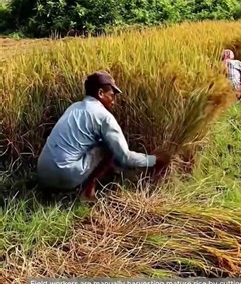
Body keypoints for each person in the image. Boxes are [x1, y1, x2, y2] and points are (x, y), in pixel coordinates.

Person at [37, 71, 171, 201]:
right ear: (100, 93)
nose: (114, 101)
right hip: (65, 176)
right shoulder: (104, 117)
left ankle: (50, 191)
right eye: (112, 95)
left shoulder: (73, 107)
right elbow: (125, 158)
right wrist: (155, 160)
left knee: (96, 144)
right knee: (108, 147)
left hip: (42, 172)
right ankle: (88, 193)